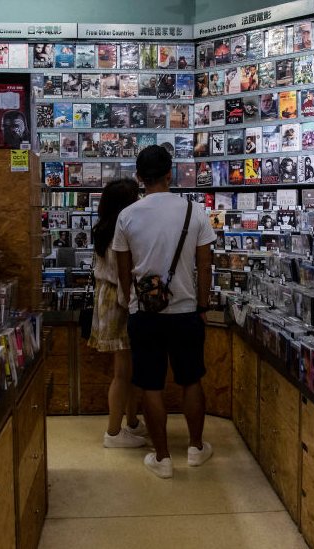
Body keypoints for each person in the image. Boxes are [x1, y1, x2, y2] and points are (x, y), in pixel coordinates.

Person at [114, 145, 217, 479]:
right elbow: (205, 266)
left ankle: (162, 458)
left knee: (151, 386)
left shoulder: (127, 216)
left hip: (144, 315)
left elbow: (123, 270)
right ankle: (196, 448)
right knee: (191, 381)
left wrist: (132, 304)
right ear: (171, 174)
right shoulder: (195, 211)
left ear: (140, 177)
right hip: (187, 311)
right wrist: (202, 306)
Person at [90, 179, 148, 448]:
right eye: (135, 197)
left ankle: (132, 423)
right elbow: (120, 276)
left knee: (130, 369)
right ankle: (113, 433)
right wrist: (133, 305)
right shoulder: (118, 233)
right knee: (123, 372)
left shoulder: (105, 229)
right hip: (119, 301)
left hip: (111, 298)